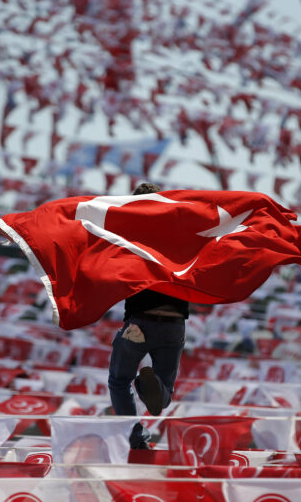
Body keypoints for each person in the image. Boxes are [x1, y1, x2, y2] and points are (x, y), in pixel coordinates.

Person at [107, 182, 189, 449]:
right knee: (163, 397)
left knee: (119, 381)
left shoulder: (129, 236)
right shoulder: (184, 235)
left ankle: (135, 436)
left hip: (139, 323)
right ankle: (150, 385)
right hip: (174, 324)